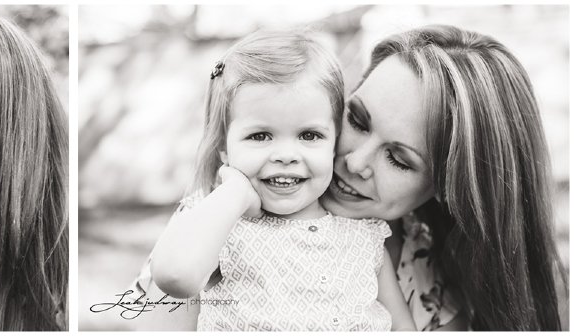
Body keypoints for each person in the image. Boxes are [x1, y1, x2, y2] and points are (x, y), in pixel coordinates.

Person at [129, 24, 567, 331]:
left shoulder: (429, 265)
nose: (355, 161)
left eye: (399, 159)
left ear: (450, 189)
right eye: (356, 120)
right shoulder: (213, 225)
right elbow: (171, 285)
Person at [146, 29, 411, 331]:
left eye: (309, 135)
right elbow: (174, 276)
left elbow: (403, 328)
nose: (286, 155)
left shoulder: (365, 237)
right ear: (224, 146)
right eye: (260, 136)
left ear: (334, 140)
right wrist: (235, 193)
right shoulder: (220, 223)